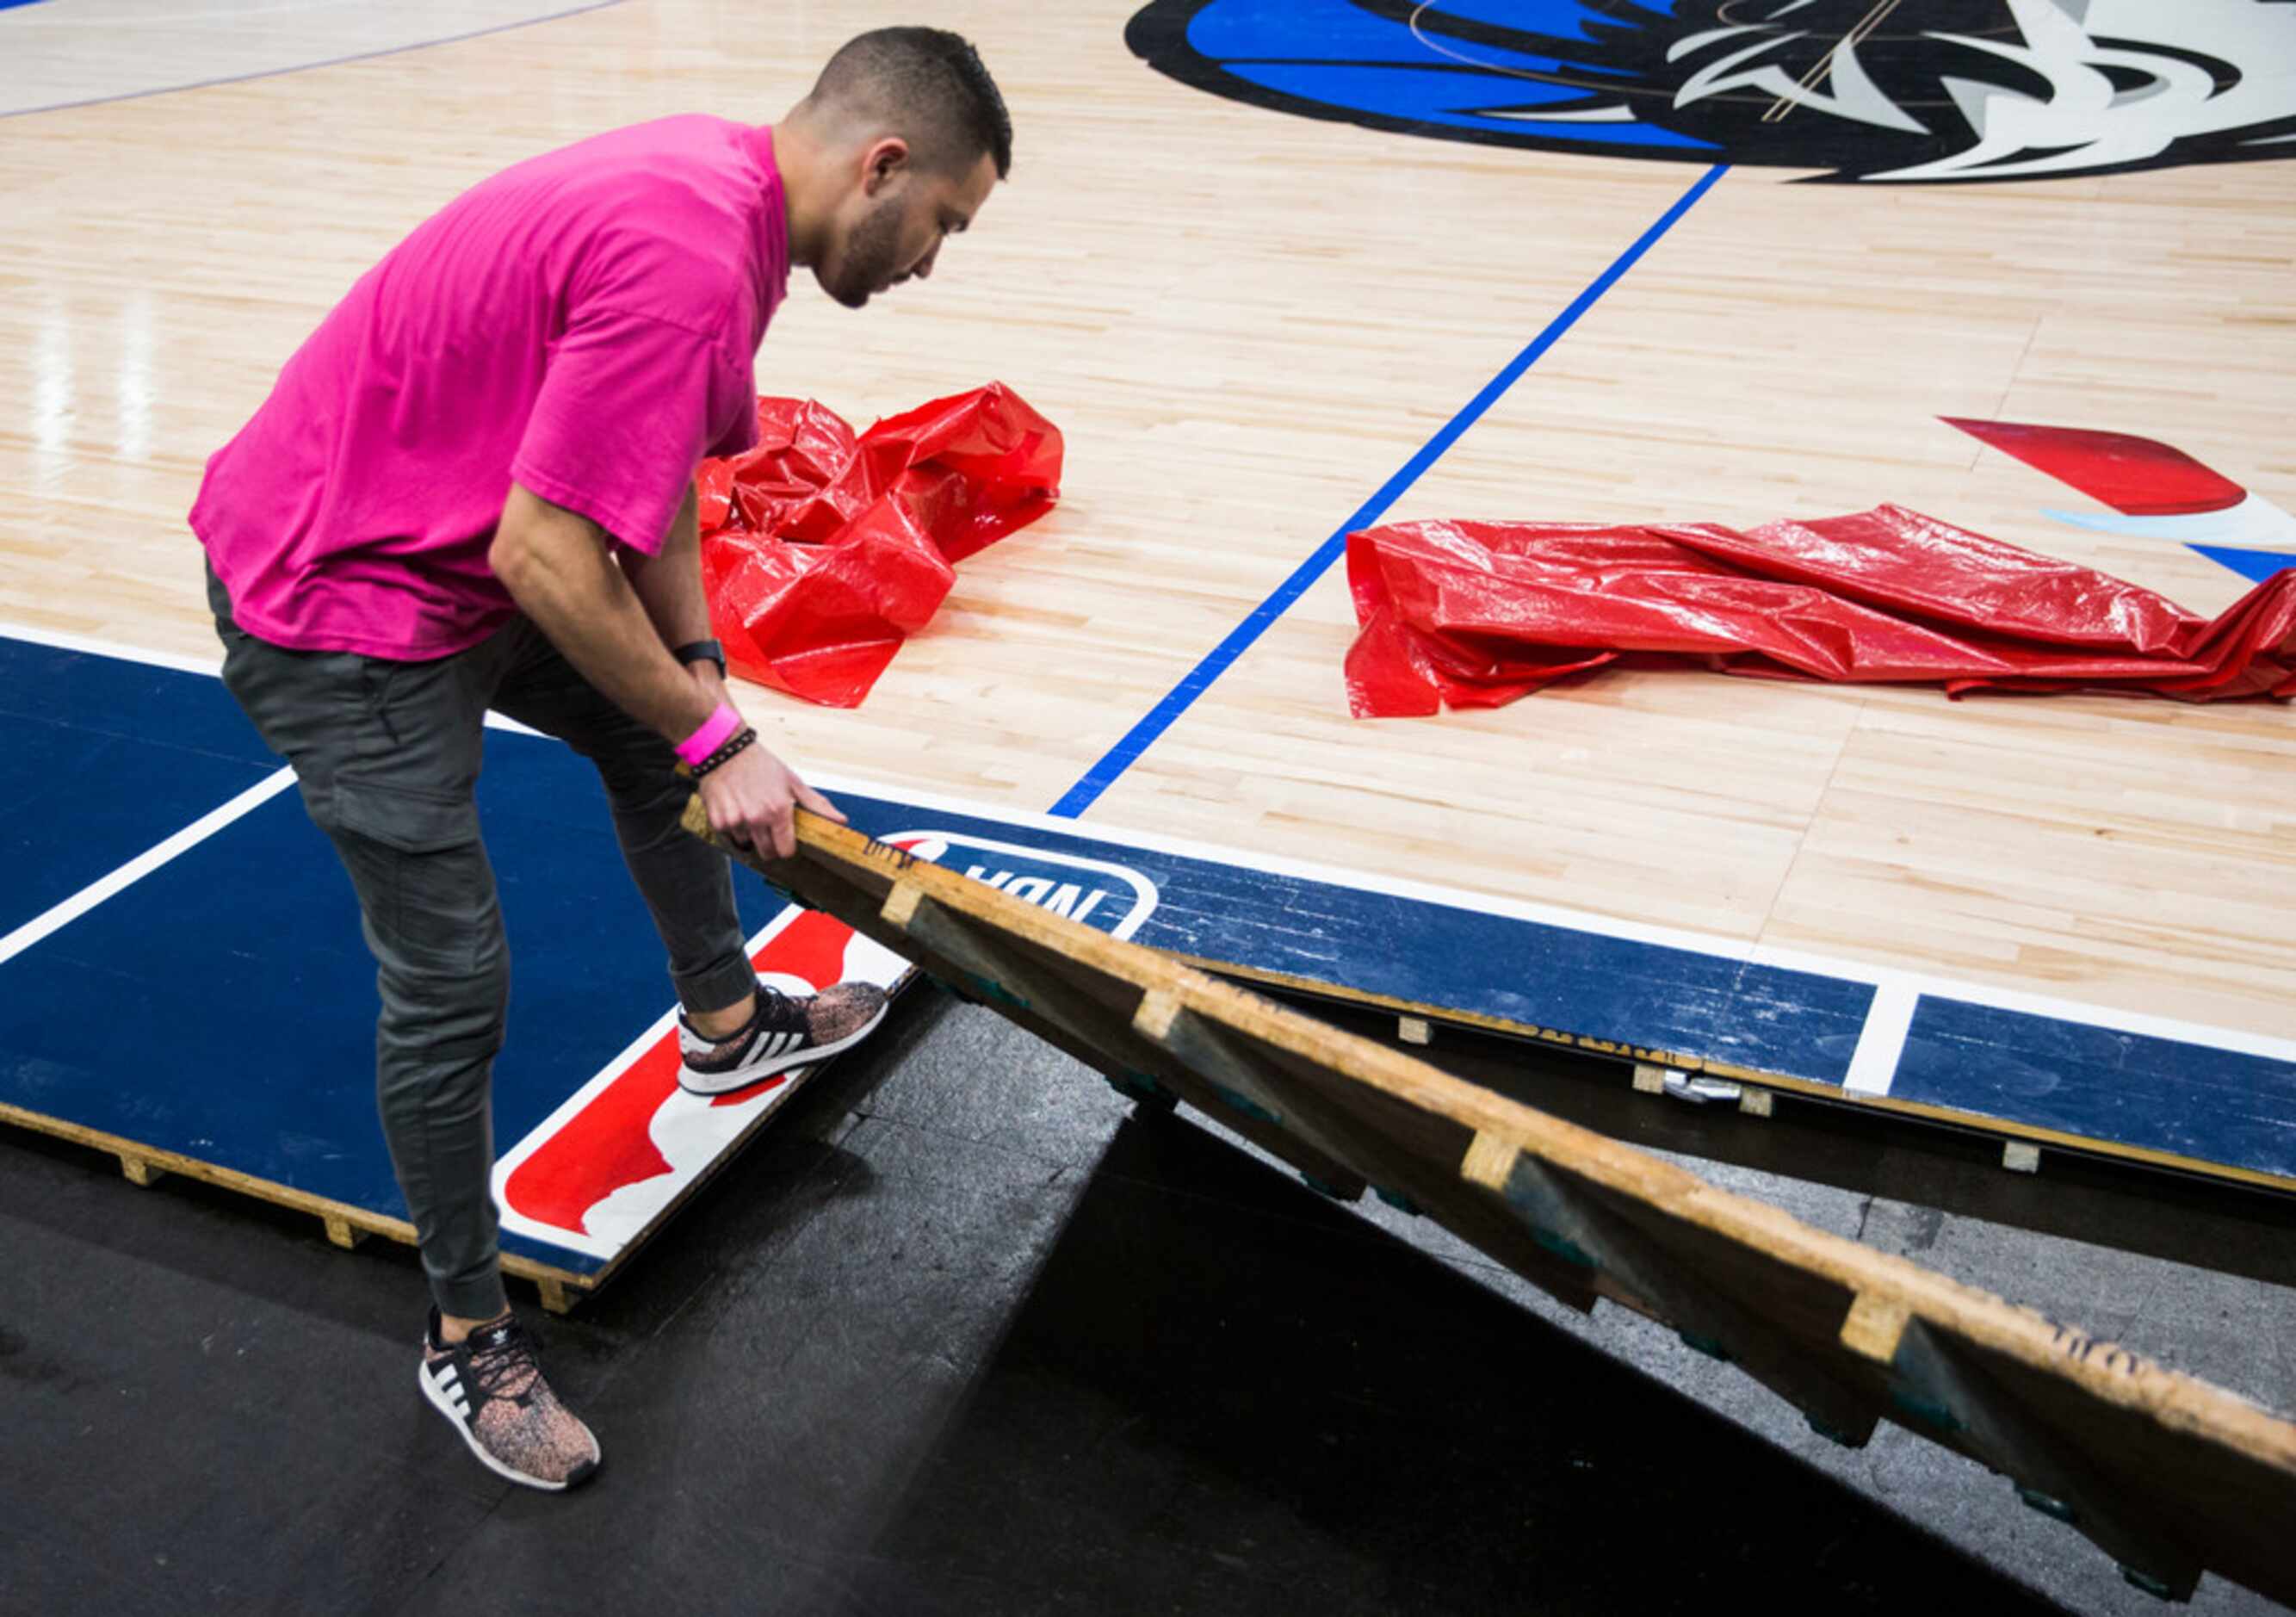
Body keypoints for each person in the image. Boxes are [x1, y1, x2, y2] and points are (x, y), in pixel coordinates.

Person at [190, 26, 1012, 1492]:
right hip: (340, 598)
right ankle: (464, 1333)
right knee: (454, 978)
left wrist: (701, 696)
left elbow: (657, 498)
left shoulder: (727, 204)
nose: (930, 261)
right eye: (943, 222)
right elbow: (547, 546)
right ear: (882, 165)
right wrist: (718, 739)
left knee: (661, 746)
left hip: (453, 549)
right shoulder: (694, 255)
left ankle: (724, 1020)